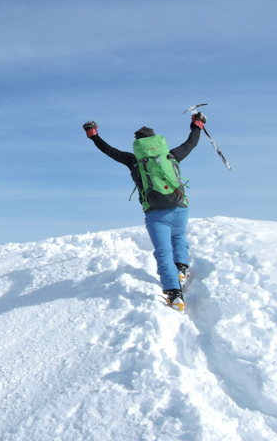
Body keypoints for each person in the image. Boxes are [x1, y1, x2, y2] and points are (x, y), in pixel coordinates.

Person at [82, 113, 205, 309]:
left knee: (163, 251)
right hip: (180, 207)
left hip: (156, 213)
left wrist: (93, 134)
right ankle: (181, 268)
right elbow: (191, 142)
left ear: (138, 144)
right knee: (179, 236)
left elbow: (109, 150)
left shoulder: (133, 161)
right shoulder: (172, 155)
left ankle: (174, 294)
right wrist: (197, 124)